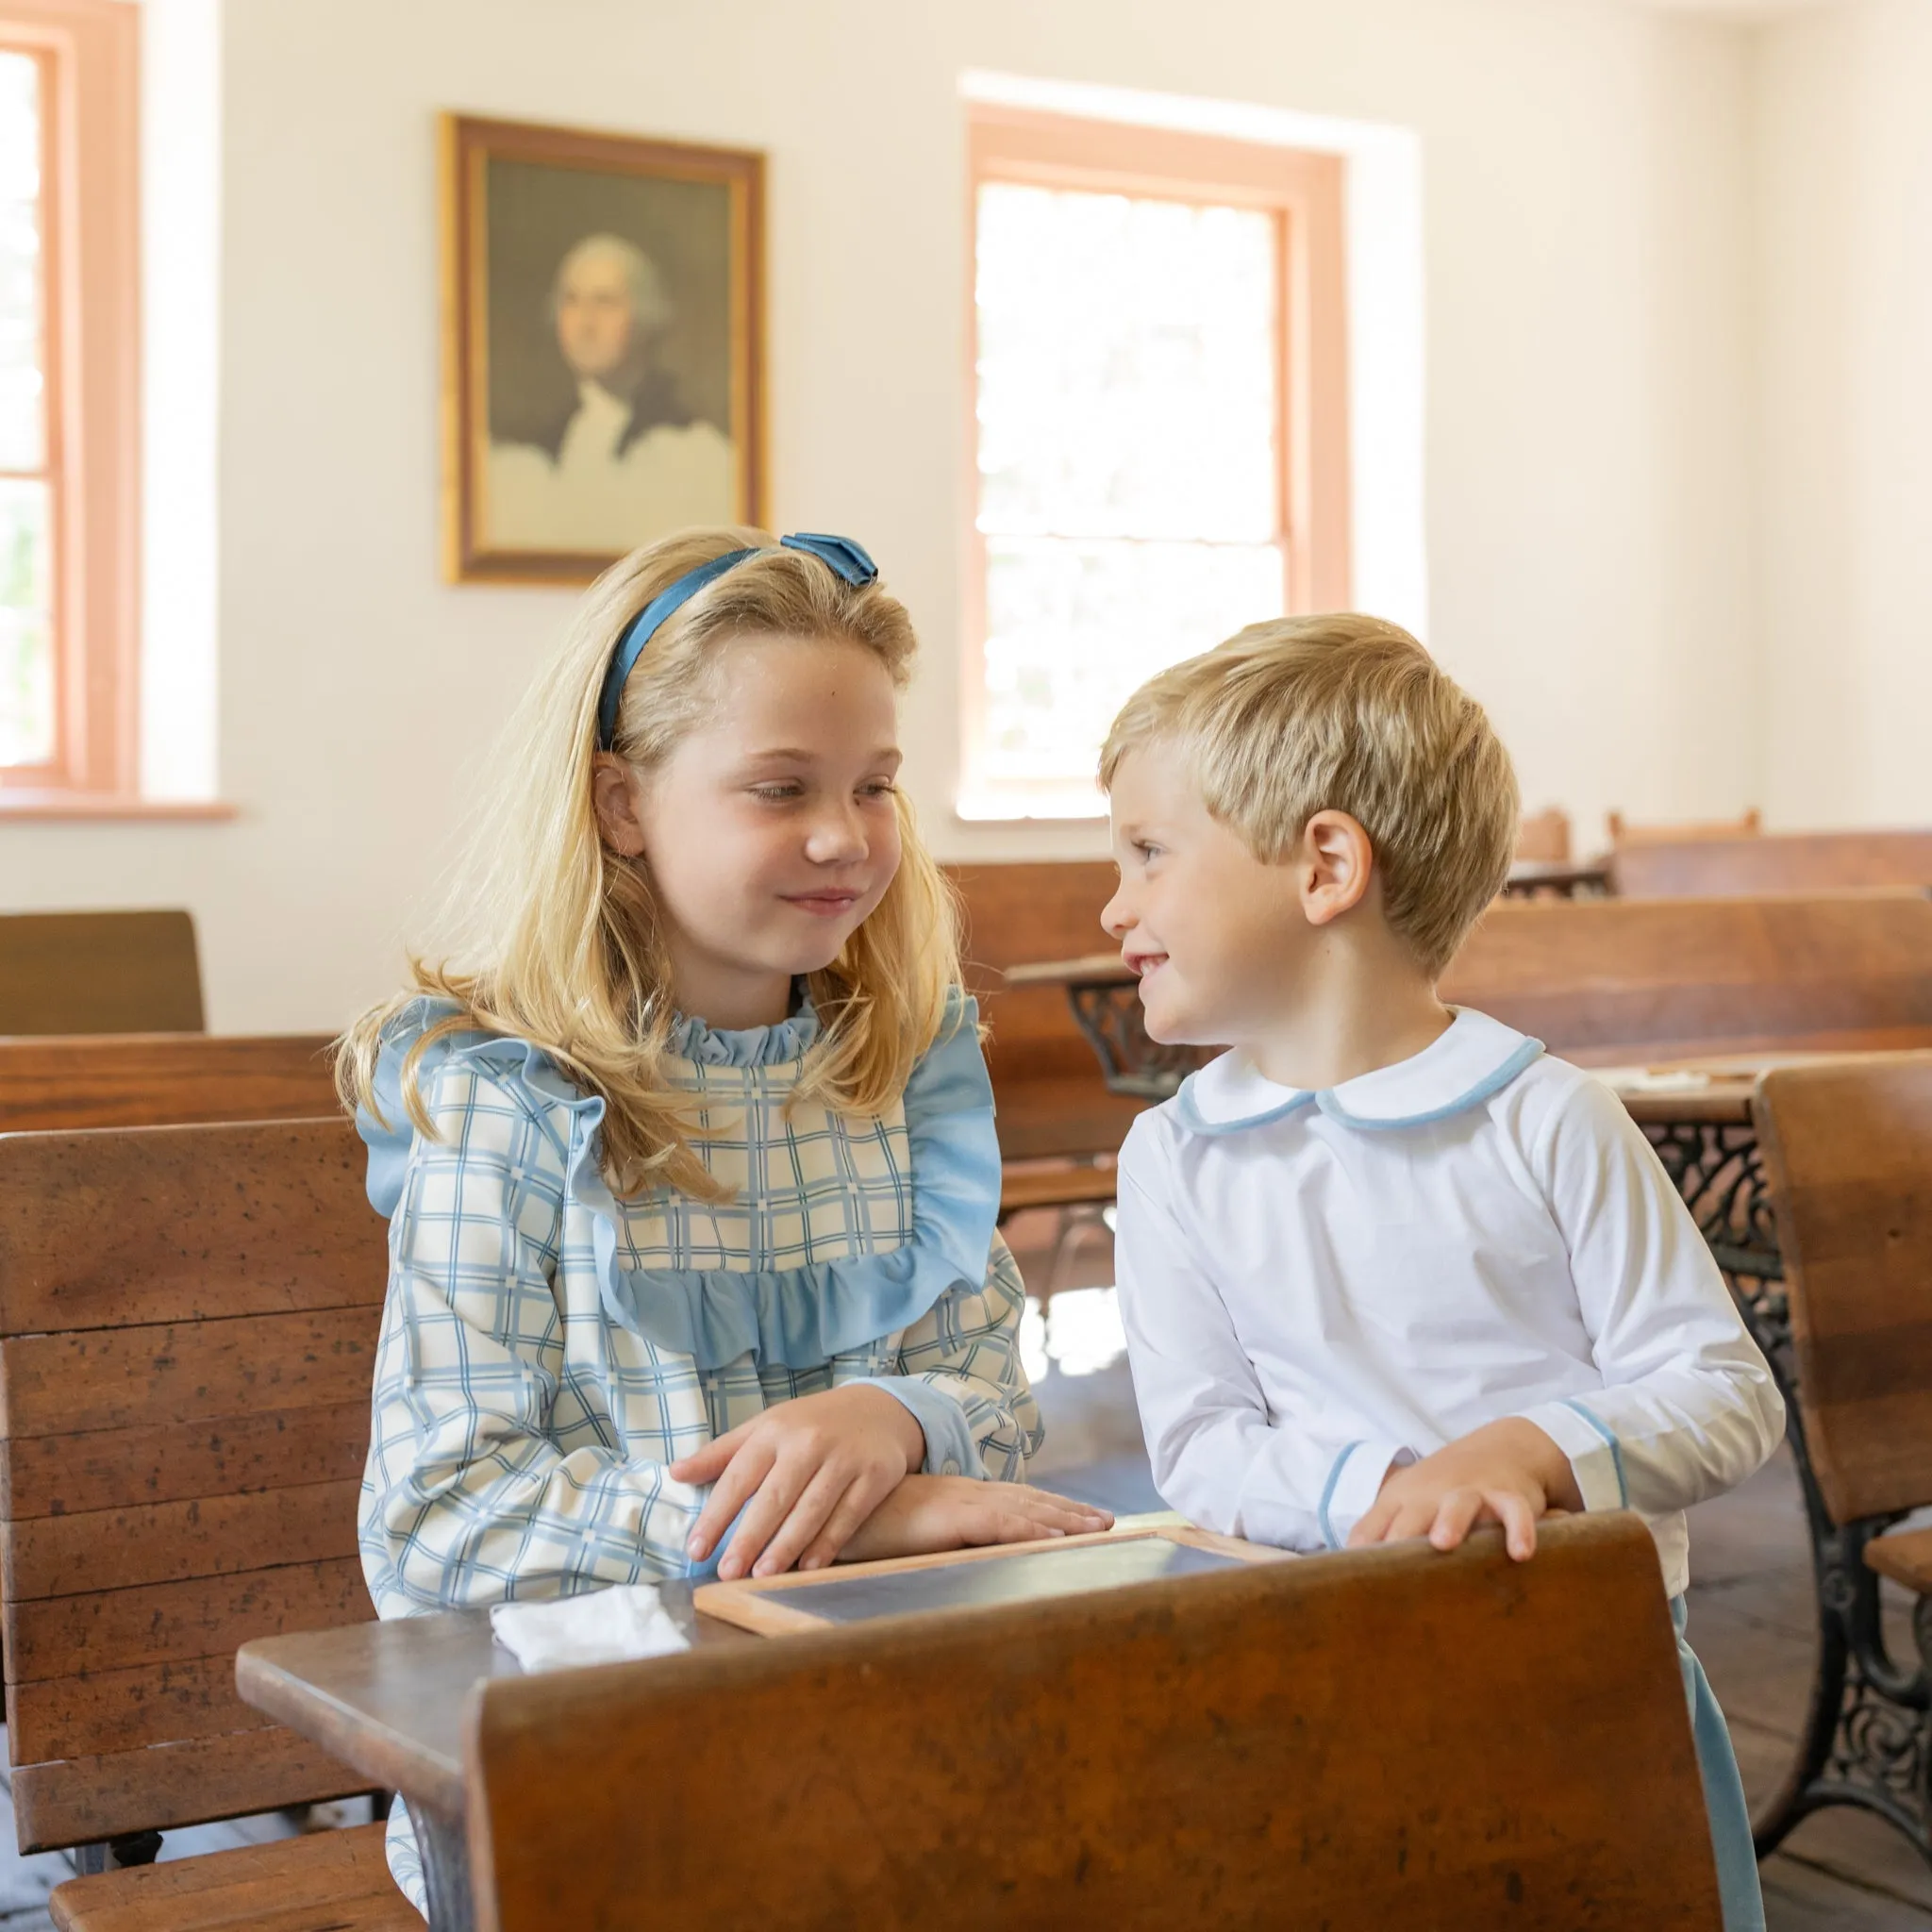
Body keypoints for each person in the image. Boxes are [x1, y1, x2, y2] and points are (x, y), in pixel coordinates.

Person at [339, 526, 1108, 1914]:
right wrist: (837, 1526)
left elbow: (992, 1388)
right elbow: (444, 1516)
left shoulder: (898, 1071)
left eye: (874, 784)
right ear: (623, 804)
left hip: (884, 1731)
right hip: (586, 1767)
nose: (844, 836)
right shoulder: (505, 1106)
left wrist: (892, 1423)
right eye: (779, 788)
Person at [1099, 613, 1783, 1931]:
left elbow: (1720, 1389)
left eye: (1146, 853)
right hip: (1316, 1670)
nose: (1114, 905)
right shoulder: (1173, 1157)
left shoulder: (1547, 1115)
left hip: (1590, 1675)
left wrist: (1531, 1450)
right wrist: (1396, 1493)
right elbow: (1202, 1445)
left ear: (1326, 866)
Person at [485, 234, 735, 553]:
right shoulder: (530, 452)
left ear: (645, 317)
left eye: (605, 302)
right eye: (572, 301)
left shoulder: (697, 449)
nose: (585, 322)